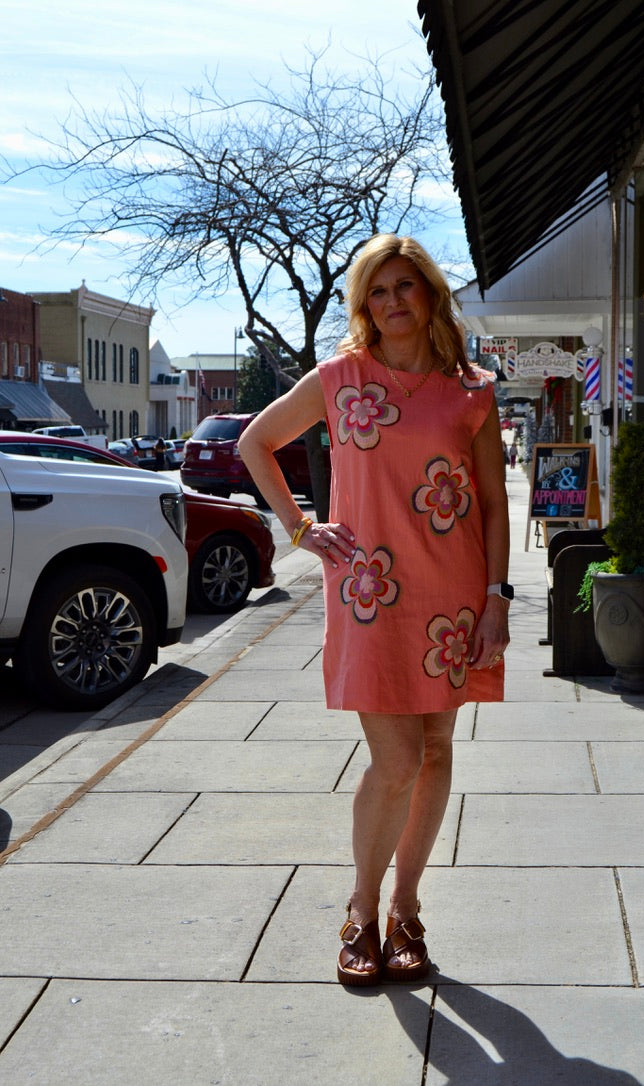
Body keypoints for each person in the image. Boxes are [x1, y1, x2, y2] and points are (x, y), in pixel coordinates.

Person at [238, 234, 511, 987]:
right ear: (366, 305)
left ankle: (408, 910)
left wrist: (497, 599)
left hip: (453, 598)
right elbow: (256, 442)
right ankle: (361, 911)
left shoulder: (472, 390)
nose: (392, 302)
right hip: (369, 595)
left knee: (437, 752)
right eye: (377, 292)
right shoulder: (340, 377)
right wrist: (299, 528)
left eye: (404, 288)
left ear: (429, 296)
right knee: (395, 761)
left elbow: (491, 505)